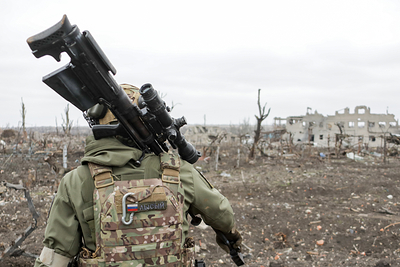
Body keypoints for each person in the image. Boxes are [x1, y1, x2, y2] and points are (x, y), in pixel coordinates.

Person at [34, 84, 242, 267]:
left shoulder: (76, 181)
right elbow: (222, 215)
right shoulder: (179, 171)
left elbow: (56, 253)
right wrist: (233, 244)